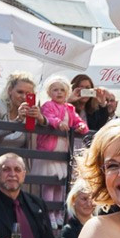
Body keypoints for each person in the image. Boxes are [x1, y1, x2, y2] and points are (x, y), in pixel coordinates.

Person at [0, 72, 44, 196]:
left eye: (28, 94)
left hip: (11, 172)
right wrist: (18, 119)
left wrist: (41, 119)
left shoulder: (29, 113)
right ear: (9, 91)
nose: (24, 97)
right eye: (20, 92)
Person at [39, 75, 90, 226]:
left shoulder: (70, 108)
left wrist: (81, 127)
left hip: (62, 152)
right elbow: (48, 117)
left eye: (62, 90)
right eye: (55, 90)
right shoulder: (48, 105)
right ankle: (49, 213)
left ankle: (59, 213)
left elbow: (78, 121)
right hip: (50, 151)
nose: (59, 93)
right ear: (49, 92)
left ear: (67, 92)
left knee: (61, 185)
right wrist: (58, 123)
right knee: (50, 184)